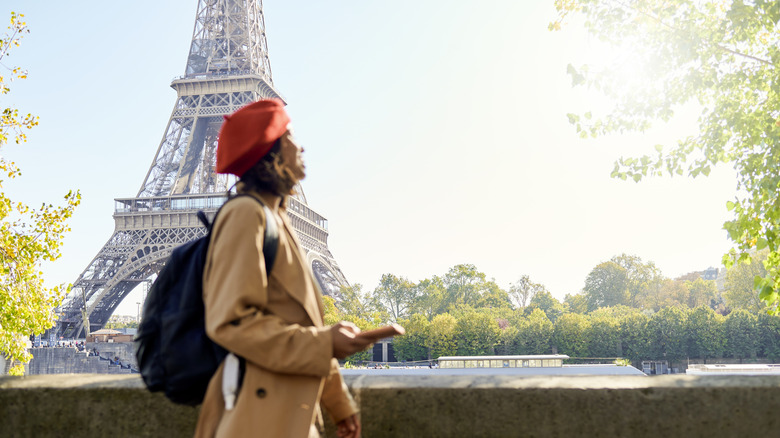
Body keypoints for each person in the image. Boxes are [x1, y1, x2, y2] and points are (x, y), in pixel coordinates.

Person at [194, 99, 374, 438]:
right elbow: (231, 323)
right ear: (272, 152)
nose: (300, 145)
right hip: (256, 416)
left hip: (286, 411)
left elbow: (305, 328)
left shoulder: (279, 220)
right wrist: (326, 344)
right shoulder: (246, 214)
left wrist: (339, 403)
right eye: (290, 135)